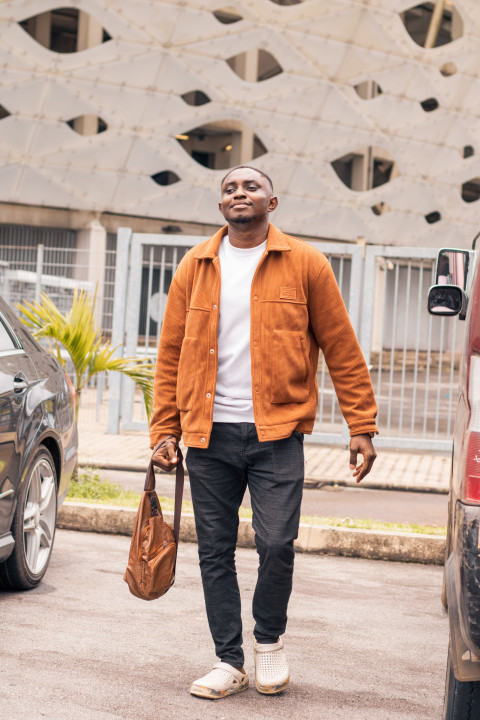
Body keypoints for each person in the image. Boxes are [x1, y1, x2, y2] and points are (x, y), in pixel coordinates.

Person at [150, 165, 378, 700]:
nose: (239, 193)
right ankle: (228, 660)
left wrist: (360, 425)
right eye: (230, 187)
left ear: (271, 203)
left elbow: (342, 348)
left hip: (277, 433)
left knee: (277, 543)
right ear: (221, 204)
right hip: (208, 435)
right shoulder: (196, 266)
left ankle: (269, 642)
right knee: (214, 550)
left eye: (251, 186)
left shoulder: (306, 264)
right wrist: (164, 429)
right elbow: (169, 354)